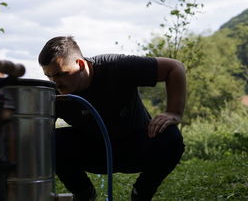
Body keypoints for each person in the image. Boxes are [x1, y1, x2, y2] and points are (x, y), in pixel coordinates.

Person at [38, 36, 185, 201]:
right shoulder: (53, 92)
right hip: (95, 152)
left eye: (60, 74)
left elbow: (175, 67)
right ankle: (84, 194)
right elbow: (40, 133)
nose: (55, 83)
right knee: (49, 140)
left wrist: (174, 112)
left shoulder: (116, 67)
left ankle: (142, 192)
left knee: (171, 137)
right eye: (49, 77)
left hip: (136, 147)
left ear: (79, 64)